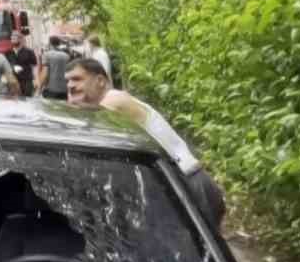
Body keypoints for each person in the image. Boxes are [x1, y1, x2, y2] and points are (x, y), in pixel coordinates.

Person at [65, 59, 225, 228]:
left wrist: (72, 106)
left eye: (77, 79)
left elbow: (86, 128)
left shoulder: (115, 99)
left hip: (192, 185)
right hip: (178, 185)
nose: (70, 85)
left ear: (100, 81)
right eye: (67, 81)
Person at [37, 35, 71, 100]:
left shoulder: (46, 55)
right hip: (64, 90)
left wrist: (39, 88)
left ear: (49, 43)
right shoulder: (66, 56)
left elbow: (45, 74)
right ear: (59, 43)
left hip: (51, 90)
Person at [6, 31, 38, 98]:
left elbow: (34, 65)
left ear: (20, 39)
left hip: (26, 81)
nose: (12, 40)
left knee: (27, 100)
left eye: (14, 39)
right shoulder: (8, 53)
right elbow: (6, 66)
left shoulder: (29, 52)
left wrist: (35, 80)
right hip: (13, 81)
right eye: (11, 39)